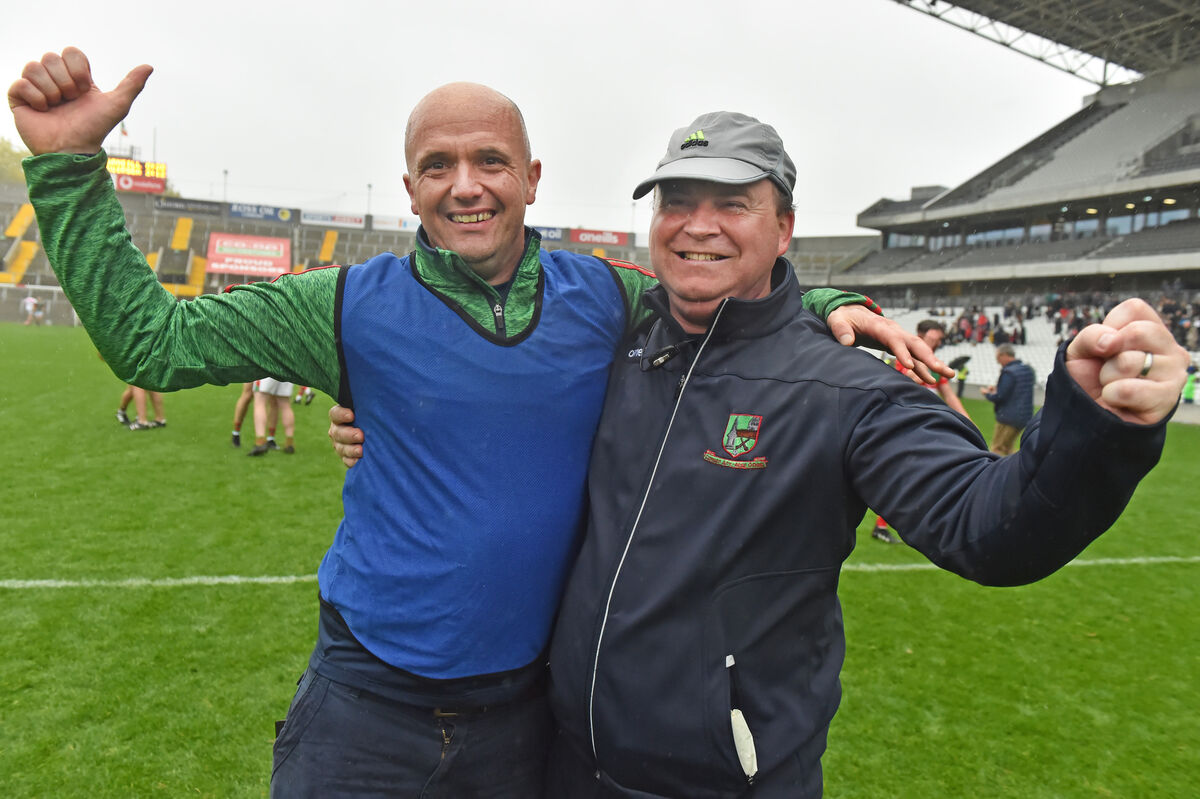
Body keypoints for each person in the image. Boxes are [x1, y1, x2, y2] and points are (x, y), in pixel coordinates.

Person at [11, 48, 950, 797]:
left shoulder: (606, 297)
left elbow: (724, 289)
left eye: (489, 160)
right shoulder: (340, 304)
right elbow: (154, 342)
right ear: (411, 187)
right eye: (438, 166)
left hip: (527, 720)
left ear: (532, 177)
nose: (466, 184)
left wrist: (823, 296)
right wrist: (63, 166)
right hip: (365, 709)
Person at [535, 111, 1183, 797]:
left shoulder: (846, 381)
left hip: (724, 783)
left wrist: (1095, 426)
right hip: (572, 766)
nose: (698, 225)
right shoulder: (625, 343)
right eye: (677, 202)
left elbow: (989, 525)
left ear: (783, 228)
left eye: (732, 204)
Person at [870, 318, 967, 543]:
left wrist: (967, 420)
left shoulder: (935, 362)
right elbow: (899, 381)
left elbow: (949, 395)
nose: (938, 337)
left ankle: (907, 523)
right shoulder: (904, 355)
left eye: (939, 335)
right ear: (923, 333)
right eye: (935, 333)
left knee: (914, 473)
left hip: (924, 426)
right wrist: (911, 377)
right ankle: (885, 525)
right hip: (900, 423)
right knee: (898, 473)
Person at [982, 343, 1036, 456]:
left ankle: (998, 473)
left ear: (1004, 355)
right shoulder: (1027, 370)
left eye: (998, 358)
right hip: (1024, 417)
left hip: (1008, 417)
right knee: (1008, 447)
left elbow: (1000, 396)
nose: (998, 362)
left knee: (998, 449)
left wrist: (987, 393)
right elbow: (1019, 390)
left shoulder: (1009, 372)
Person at [248, 378, 296, 455]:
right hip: (288, 368)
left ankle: (260, 442)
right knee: (285, 404)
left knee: (260, 400)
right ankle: (289, 442)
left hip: (269, 367)